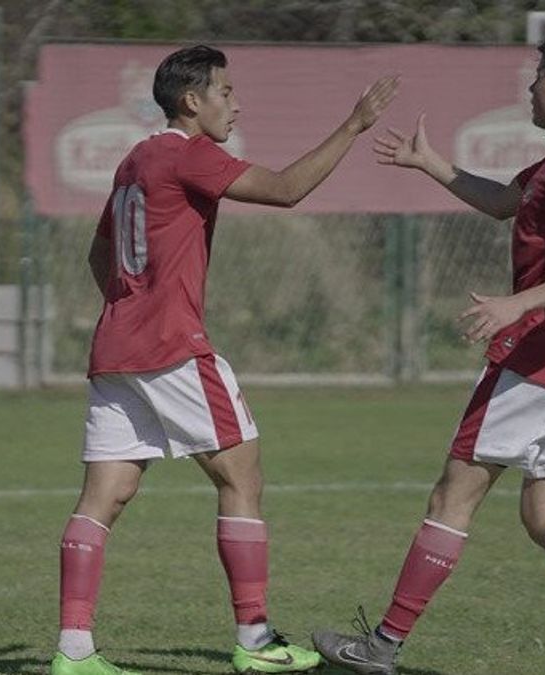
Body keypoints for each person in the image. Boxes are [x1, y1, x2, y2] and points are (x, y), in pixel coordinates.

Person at [51, 44, 398, 675]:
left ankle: (73, 653)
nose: (236, 104)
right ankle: (256, 642)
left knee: (106, 493)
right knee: (242, 476)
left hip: (115, 347)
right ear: (193, 100)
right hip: (171, 347)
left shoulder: (135, 159)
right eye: (227, 92)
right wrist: (353, 125)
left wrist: (133, 305)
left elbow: (100, 257)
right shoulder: (188, 155)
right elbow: (287, 190)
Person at [313, 26, 545, 675]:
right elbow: (504, 203)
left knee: (450, 499)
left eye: (539, 75)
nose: (530, 85)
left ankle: (384, 645)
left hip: (543, 364)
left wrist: (519, 302)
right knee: (544, 506)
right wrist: (432, 164)